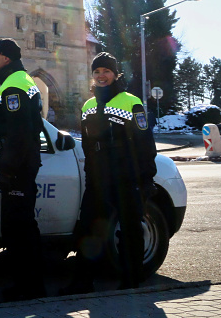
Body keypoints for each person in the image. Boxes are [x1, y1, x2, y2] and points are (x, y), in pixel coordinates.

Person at [60, 52, 157, 295]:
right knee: (89, 229)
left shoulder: (131, 102)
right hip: (98, 179)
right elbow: (87, 145)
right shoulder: (88, 105)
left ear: (115, 74)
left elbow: (146, 145)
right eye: (97, 72)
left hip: (127, 178)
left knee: (130, 230)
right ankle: (82, 282)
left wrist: (145, 179)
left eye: (106, 71)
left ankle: (131, 282)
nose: (101, 76)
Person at [0, 38, 46, 301]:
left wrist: (7, 170)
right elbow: (14, 127)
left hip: (18, 166)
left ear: (5, 58)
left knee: (19, 228)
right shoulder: (23, 81)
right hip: (25, 163)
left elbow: (18, 135)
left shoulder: (13, 88)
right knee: (23, 227)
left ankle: (28, 287)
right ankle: (30, 284)